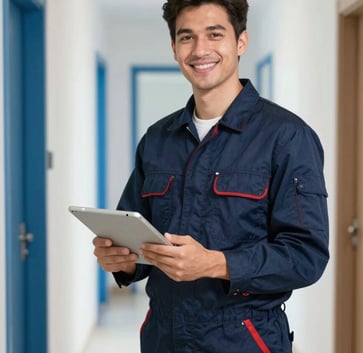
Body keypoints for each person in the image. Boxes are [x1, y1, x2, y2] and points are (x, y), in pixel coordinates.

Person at [93, 1, 329, 352]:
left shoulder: (287, 138)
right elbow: (135, 233)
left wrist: (217, 263)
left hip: (243, 339)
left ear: (241, 41)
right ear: (174, 48)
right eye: (187, 37)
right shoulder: (158, 139)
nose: (200, 49)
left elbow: (306, 256)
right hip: (163, 337)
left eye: (214, 34)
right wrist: (122, 262)